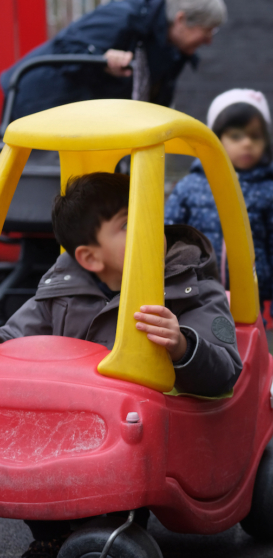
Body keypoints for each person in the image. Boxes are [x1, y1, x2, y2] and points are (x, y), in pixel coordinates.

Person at [0, 172, 242, 557]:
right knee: (24, 428)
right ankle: (49, 532)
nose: (149, 228)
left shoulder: (187, 287)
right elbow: (13, 343)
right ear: (90, 257)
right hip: (71, 426)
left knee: (124, 453)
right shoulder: (59, 293)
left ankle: (116, 527)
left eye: (149, 214)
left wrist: (181, 344)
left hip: (153, 432)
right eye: (129, 224)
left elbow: (226, 369)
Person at [1, 0, 227, 122]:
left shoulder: (170, 50)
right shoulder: (122, 17)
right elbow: (65, 48)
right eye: (208, 30)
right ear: (181, 19)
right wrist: (101, 59)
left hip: (72, 124)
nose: (209, 40)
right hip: (32, 108)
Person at [165, 89, 273, 325]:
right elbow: (166, 237)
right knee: (205, 351)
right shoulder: (189, 187)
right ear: (215, 139)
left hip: (250, 301)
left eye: (255, 136)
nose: (247, 143)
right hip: (195, 295)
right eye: (236, 136)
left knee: (248, 353)